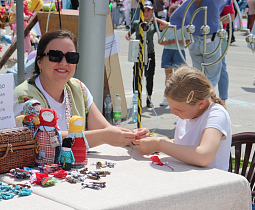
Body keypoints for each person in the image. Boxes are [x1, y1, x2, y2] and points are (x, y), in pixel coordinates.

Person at [14, 29, 150, 150]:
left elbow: (105, 129)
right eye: (55, 56)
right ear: (39, 62)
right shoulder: (25, 96)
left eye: (71, 57)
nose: (63, 62)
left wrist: (133, 137)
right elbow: (43, 138)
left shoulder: (78, 88)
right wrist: (104, 136)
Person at [133, 67, 232, 171]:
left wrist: (160, 145)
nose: (173, 112)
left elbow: (204, 156)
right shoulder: (187, 113)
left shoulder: (216, 115)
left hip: (212, 181)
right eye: (172, 108)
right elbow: (182, 145)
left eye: (178, 109)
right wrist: (151, 142)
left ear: (200, 104)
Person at [170, 0, 231, 88]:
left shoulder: (190, 1)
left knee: (199, 76)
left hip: (194, 41)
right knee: (211, 78)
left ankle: (199, 98)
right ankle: (206, 99)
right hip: (210, 40)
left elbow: (174, 18)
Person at [125, 1, 168, 107]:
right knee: (136, 75)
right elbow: (128, 34)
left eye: (149, 10)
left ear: (152, 11)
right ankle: (137, 97)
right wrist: (130, 39)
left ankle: (149, 98)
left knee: (149, 76)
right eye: (144, 10)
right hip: (138, 53)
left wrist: (154, 18)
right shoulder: (137, 23)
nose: (146, 13)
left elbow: (166, 25)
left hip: (150, 53)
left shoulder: (153, 24)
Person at [158, 3, 190, 106]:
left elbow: (188, 41)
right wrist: (167, 42)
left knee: (178, 75)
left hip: (178, 51)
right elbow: (160, 40)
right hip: (167, 51)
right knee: (168, 75)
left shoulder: (183, 27)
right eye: (173, 12)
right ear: (169, 13)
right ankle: (167, 97)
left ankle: (178, 97)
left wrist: (178, 41)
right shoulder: (166, 25)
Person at [218, 0, 235, 104]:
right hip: (199, 35)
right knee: (200, 69)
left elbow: (231, 17)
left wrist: (212, 20)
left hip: (218, 35)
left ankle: (222, 101)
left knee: (221, 68)